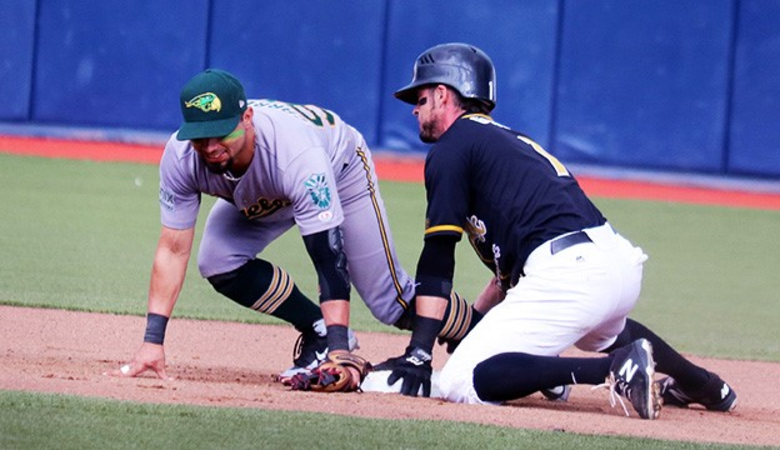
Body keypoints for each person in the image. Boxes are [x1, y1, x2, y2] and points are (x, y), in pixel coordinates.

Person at [386, 42, 737, 419]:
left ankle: (613, 369)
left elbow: (438, 256)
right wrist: (476, 325)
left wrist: (419, 354)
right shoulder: (504, 143)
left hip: (570, 272)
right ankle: (705, 384)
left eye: (421, 98)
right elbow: (507, 281)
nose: (415, 108)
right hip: (612, 263)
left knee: (459, 381)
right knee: (598, 332)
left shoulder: (452, 147)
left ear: (443, 94)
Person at [109, 68, 481, 383]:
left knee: (392, 302)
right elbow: (173, 248)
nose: (210, 146)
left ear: (247, 118)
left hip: (338, 170)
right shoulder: (181, 157)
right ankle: (317, 330)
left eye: (221, 132)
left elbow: (327, 256)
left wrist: (340, 352)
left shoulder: (296, 156)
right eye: (199, 136)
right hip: (264, 189)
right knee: (217, 260)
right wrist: (152, 341)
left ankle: (482, 330)